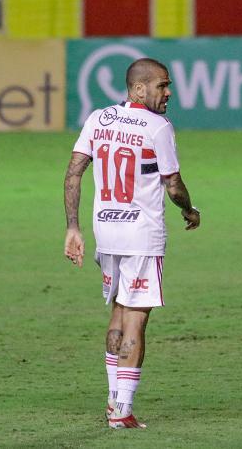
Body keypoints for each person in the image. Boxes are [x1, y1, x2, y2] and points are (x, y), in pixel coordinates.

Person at [64, 58, 200, 429]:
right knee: (137, 322)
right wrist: (190, 210)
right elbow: (173, 184)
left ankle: (112, 399)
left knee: (118, 315)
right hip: (141, 235)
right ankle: (122, 410)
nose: (168, 92)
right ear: (139, 89)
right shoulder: (158, 127)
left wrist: (73, 228)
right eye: (162, 85)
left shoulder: (98, 118)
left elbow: (74, 171)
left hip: (106, 232)